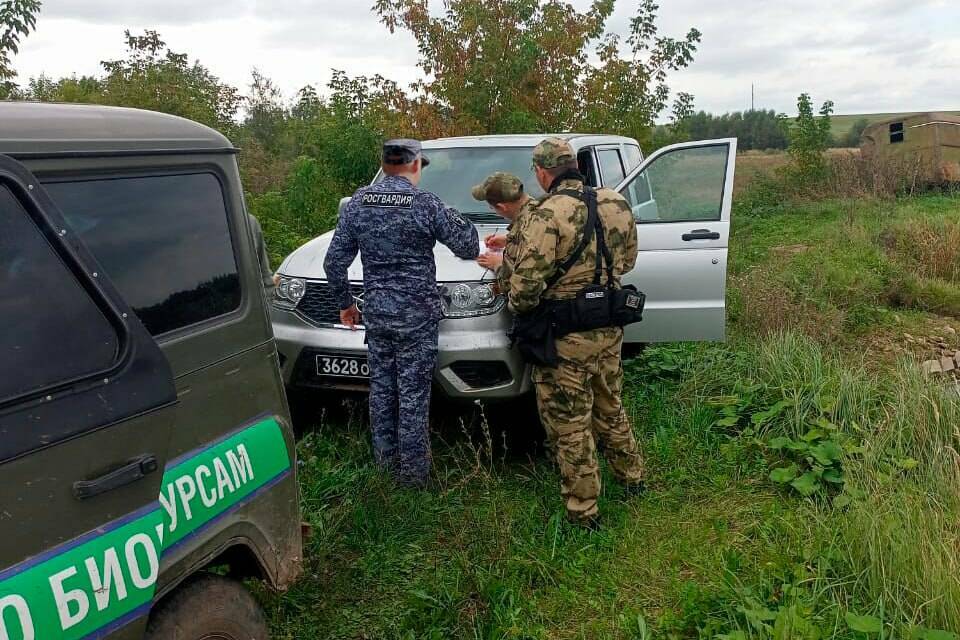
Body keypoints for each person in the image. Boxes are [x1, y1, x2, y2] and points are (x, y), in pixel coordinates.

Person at [323, 139, 480, 487]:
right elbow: (468, 244)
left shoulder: (359, 202)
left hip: (377, 315)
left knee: (381, 392)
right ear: (415, 165)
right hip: (417, 319)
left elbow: (334, 261)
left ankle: (384, 471)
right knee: (412, 397)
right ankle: (412, 480)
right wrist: (456, 215)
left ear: (384, 162)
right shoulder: (425, 203)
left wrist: (346, 303)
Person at [507, 137, 645, 528]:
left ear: (541, 172)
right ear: (575, 164)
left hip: (564, 338)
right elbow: (629, 260)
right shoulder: (615, 202)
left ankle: (583, 511)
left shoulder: (546, 215)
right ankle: (633, 478)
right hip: (609, 328)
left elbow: (524, 291)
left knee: (569, 424)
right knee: (609, 403)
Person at [472, 172, 536, 290]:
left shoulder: (531, 228)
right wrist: (510, 240)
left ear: (502, 207)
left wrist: (498, 265)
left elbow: (524, 285)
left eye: (492, 208)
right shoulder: (537, 212)